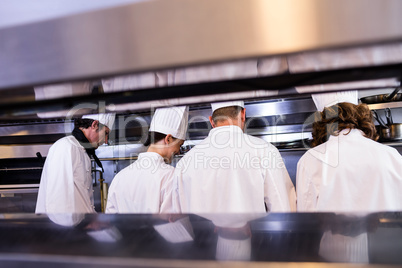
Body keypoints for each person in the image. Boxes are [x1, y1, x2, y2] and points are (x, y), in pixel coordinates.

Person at [172, 101, 296, 213]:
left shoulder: (184, 163)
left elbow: (178, 221)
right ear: (243, 114)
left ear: (211, 121)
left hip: (202, 238)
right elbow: (283, 211)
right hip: (253, 238)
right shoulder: (265, 151)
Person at [296, 91, 402, 212]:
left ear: (322, 121)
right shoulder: (392, 156)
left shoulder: (311, 160)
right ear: (359, 114)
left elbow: (306, 221)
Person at [106, 106, 189, 213]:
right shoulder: (170, 176)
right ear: (168, 139)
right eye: (180, 145)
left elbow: (111, 217)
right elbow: (172, 222)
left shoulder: (120, 176)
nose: (178, 151)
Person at [35, 113, 115, 213]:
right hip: (65, 225)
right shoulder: (67, 147)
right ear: (94, 125)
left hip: (79, 223)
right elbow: (57, 200)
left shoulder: (83, 151)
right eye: (106, 133)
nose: (106, 141)